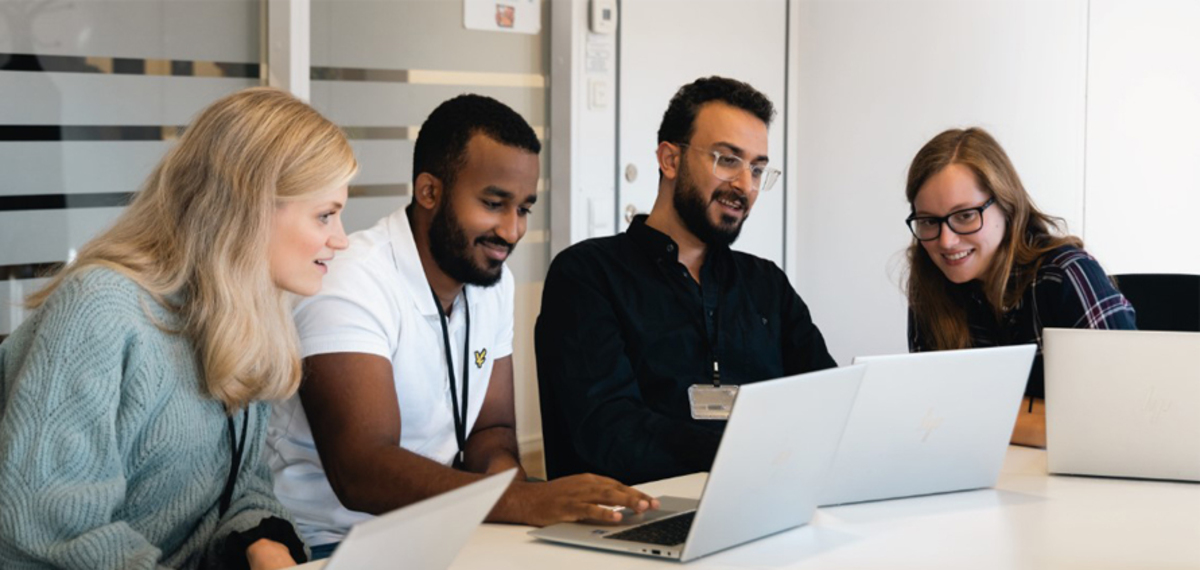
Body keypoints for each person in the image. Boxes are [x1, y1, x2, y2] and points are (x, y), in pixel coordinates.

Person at [265, 94, 656, 556]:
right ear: (429, 191)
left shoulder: (492, 283)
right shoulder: (349, 277)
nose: (511, 231)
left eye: (524, 209)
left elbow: (489, 433)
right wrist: (523, 499)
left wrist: (534, 518)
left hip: (448, 530)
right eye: (494, 203)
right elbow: (362, 470)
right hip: (334, 544)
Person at [0, 87, 356, 569]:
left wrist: (265, 547)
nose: (341, 239)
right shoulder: (101, 308)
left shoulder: (245, 312)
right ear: (249, 208)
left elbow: (240, 487)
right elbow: (50, 526)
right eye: (325, 215)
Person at [535, 76, 837, 486]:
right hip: (637, 517)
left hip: (762, 502)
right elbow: (608, 434)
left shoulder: (766, 285)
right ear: (670, 160)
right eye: (727, 160)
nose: (745, 186)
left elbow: (828, 399)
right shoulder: (588, 275)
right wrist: (746, 454)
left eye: (758, 169)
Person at [903, 127, 1136, 448]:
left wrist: (985, 420)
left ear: (1007, 205)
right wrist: (1038, 420)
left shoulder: (1066, 275)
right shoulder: (931, 283)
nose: (946, 240)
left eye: (966, 215)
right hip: (985, 479)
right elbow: (934, 417)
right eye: (929, 221)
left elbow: (1126, 416)